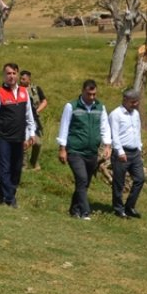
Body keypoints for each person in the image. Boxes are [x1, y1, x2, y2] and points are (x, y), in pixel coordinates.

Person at [56, 79, 111, 220]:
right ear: (82, 91)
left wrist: (107, 145)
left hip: (91, 152)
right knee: (81, 178)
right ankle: (86, 211)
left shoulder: (100, 107)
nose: (92, 97)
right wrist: (62, 148)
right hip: (75, 150)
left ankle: (74, 210)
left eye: (94, 94)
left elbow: (104, 127)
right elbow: (64, 127)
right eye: (89, 94)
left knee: (85, 182)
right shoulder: (71, 106)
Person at [0, 63, 36, 207]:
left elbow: (28, 115)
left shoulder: (24, 93)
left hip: (19, 137)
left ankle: (2, 191)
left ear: (18, 75)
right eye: (8, 73)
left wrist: (31, 133)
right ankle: (9, 198)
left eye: (14, 73)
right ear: (4, 76)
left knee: (16, 169)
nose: (11, 76)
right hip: (3, 137)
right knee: (5, 168)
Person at [109, 88, 145, 219]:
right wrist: (120, 151)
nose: (135, 104)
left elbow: (137, 131)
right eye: (133, 102)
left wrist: (139, 148)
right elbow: (114, 135)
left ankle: (130, 206)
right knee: (119, 182)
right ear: (125, 100)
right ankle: (118, 208)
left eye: (137, 102)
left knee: (140, 179)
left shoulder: (135, 114)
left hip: (135, 153)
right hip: (121, 153)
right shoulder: (116, 114)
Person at [21, 70, 48, 170]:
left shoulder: (35, 89)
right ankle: (23, 165)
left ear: (29, 79)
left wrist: (37, 110)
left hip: (34, 120)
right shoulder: (17, 90)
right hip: (21, 120)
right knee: (23, 142)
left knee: (38, 143)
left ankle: (33, 161)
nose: (21, 80)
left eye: (24, 79)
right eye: (21, 78)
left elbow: (44, 101)